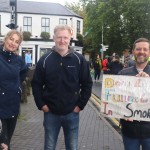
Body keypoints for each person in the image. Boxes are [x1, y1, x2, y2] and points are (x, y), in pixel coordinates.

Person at [31, 25, 92, 150]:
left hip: (72, 112)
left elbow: (87, 84)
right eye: (59, 37)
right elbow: (36, 83)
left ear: (70, 38)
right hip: (50, 112)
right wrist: (41, 104)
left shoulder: (79, 60)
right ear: (54, 38)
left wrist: (80, 105)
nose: (62, 40)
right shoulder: (45, 59)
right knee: (49, 146)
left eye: (65, 37)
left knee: (72, 147)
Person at [118, 38, 150, 150]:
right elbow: (116, 100)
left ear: (149, 52)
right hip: (129, 131)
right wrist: (122, 112)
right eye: (138, 49)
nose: (141, 51)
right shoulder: (123, 74)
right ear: (133, 52)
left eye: (145, 49)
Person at [0, 30, 28, 150]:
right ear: (6, 39)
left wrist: (18, 89)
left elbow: (22, 75)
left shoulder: (19, 60)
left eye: (17, 42)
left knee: (8, 141)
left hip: (13, 107)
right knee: (3, 145)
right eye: (11, 39)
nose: (13, 43)